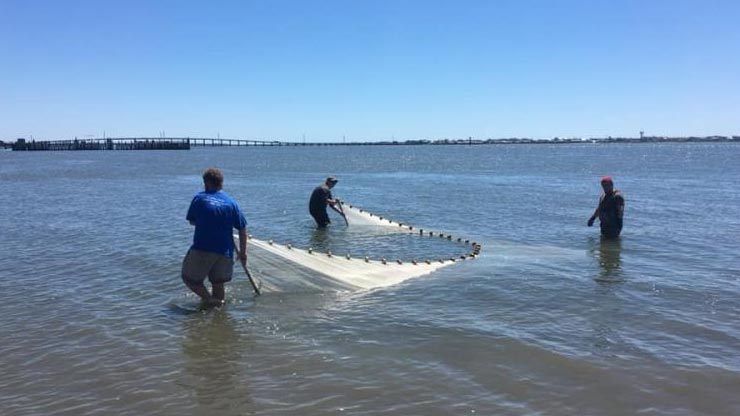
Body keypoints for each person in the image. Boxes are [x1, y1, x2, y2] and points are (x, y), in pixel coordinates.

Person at [182, 168, 248, 308]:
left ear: (206, 183)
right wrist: (243, 253)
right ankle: (219, 315)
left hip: (203, 248)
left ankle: (209, 299)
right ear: (221, 183)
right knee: (218, 283)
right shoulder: (231, 203)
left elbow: (192, 221)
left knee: (190, 279)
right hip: (225, 252)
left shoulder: (200, 198)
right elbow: (242, 229)